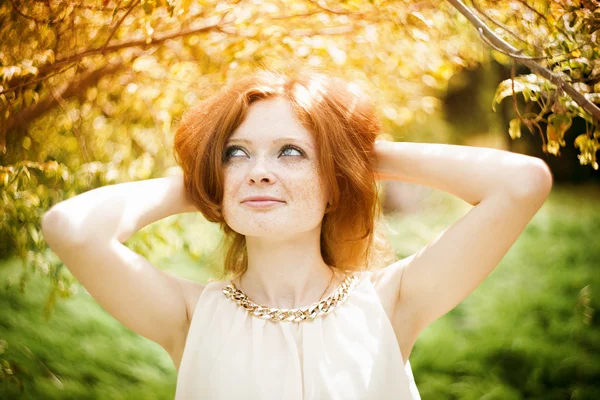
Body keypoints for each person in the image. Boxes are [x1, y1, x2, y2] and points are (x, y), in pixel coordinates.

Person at [42, 68, 553, 400]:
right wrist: (205, 181)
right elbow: (71, 228)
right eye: (236, 152)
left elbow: (521, 183)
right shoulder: (189, 316)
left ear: (336, 183)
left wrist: (356, 157)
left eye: (291, 152)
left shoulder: (392, 303)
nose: (259, 171)